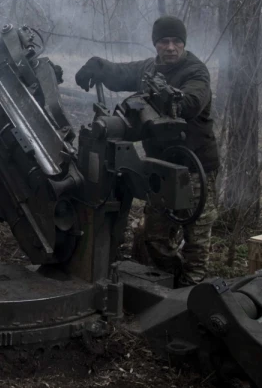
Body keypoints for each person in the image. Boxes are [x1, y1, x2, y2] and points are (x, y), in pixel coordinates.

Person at [73, 15, 219, 287]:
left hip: (195, 167)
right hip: (160, 169)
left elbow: (192, 103)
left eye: (177, 41)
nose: (171, 47)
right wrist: (96, 66)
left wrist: (166, 96)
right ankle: (173, 284)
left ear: (184, 44)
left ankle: (193, 292)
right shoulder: (150, 69)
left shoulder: (196, 71)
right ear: (156, 44)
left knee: (196, 238)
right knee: (154, 237)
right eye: (164, 41)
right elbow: (119, 74)